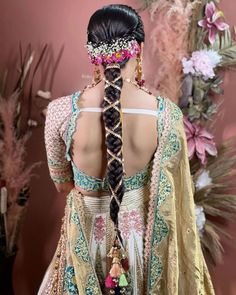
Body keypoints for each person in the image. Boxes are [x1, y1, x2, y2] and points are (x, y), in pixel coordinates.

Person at [38, 4, 216, 295]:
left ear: (91, 51)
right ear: (139, 48)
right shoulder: (165, 115)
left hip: (85, 241)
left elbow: (62, 185)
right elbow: (173, 193)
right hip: (138, 246)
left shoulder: (60, 113)